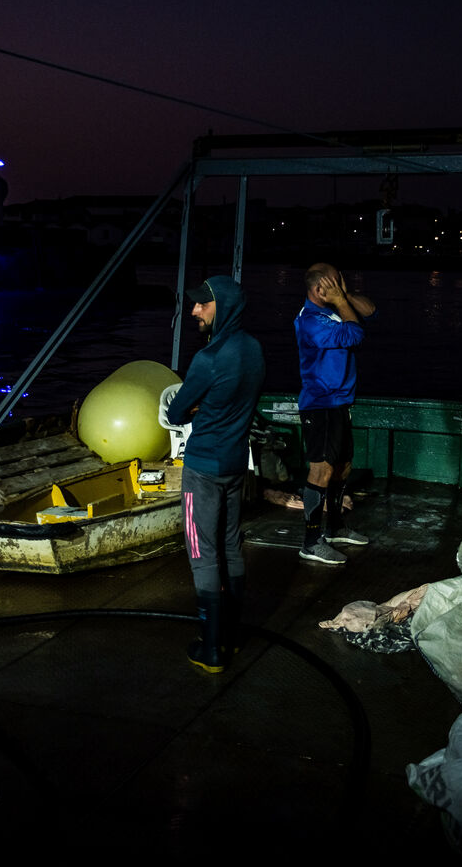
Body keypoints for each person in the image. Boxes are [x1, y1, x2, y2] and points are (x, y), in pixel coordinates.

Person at [163, 275, 265, 673]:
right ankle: (232, 636)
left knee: (202, 554)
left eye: (201, 304)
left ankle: (210, 648)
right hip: (237, 463)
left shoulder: (207, 358)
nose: (193, 311)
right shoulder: (254, 349)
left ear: (222, 306)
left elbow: (175, 413)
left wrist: (196, 408)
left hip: (203, 468)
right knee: (231, 546)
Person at [294, 263, 376, 566]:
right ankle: (311, 541)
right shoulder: (310, 321)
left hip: (340, 403)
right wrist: (341, 301)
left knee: (343, 466)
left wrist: (344, 295)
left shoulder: (335, 308)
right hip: (321, 404)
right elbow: (355, 334)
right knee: (322, 470)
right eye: (335, 283)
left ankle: (336, 528)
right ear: (319, 289)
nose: (341, 288)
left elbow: (369, 311)